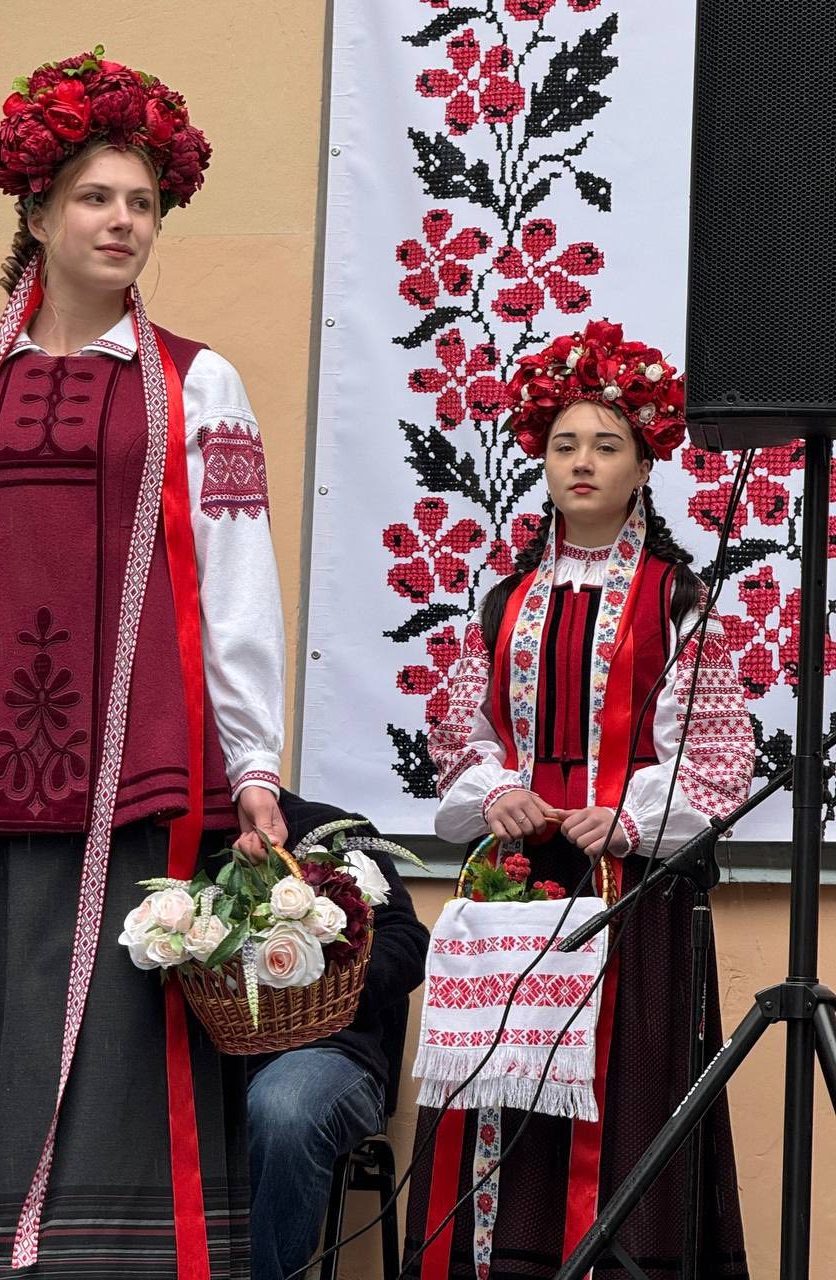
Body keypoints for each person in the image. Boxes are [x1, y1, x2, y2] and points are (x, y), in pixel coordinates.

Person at [0, 48, 287, 1279]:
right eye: (98, 198)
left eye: (143, 203)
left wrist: (255, 762)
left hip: (129, 753)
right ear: (39, 211)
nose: (123, 222)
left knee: (115, 1013)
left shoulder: (198, 382)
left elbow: (237, 576)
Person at [402, 320, 754, 1279]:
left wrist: (630, 818)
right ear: (542, 464)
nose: (583, 462)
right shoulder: (503, 603)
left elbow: (717, 758)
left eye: (606, 445)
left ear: (643, 466)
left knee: (622, 1094)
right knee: (503, 1095)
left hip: (630, 896)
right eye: (565, 445)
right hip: (517, 885)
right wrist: (499, 793)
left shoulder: (678, 601)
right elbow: (460, 740)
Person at [246, 789, 430, 1280]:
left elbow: (407, 942)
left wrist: (328, 981)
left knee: (285, 1107)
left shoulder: (332, 831)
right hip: (198, 1058)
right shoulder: (165, 835)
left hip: (328, 1054)